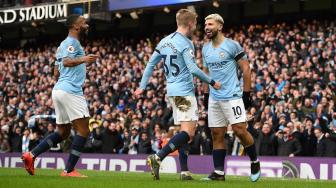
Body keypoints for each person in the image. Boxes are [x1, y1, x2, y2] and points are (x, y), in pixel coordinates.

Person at [134, 9, 221, 180]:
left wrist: (142, 86)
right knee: (188, 133)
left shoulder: (164, 42)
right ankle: (158, 157)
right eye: (195, 23)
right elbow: (193, 69)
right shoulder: (186, 43)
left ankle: (184, 172)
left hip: (172, 92)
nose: (196, 27)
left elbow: (150, 65)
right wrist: (212, 82)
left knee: (184, 132)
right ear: (190, 24)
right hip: (184, 92)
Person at [21, 14, 98, 177]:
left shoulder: (62, 45)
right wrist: (84, 59)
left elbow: (56, 70)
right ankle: (68, 170)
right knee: (84, 130)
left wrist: (80, 68)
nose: (86, 24)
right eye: (83, 22)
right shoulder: (72, 42)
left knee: (63, 132)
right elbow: (66, 62)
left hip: (59, 90)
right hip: (70, 91)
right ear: (75, 26)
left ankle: (31, 155)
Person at [201, 14, 260, 182]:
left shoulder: (232, 45)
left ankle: (254, 161)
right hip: (214, 98)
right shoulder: (205, 48)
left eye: (210, 24)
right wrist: (206, 94)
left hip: (233, 96)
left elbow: (246, 69)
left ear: (219, 26)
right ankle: (219, 173)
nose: (206, 27)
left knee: (239, 130)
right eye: (205, 24)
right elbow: (206, 73)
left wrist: (246, 94)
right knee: (217, 134)